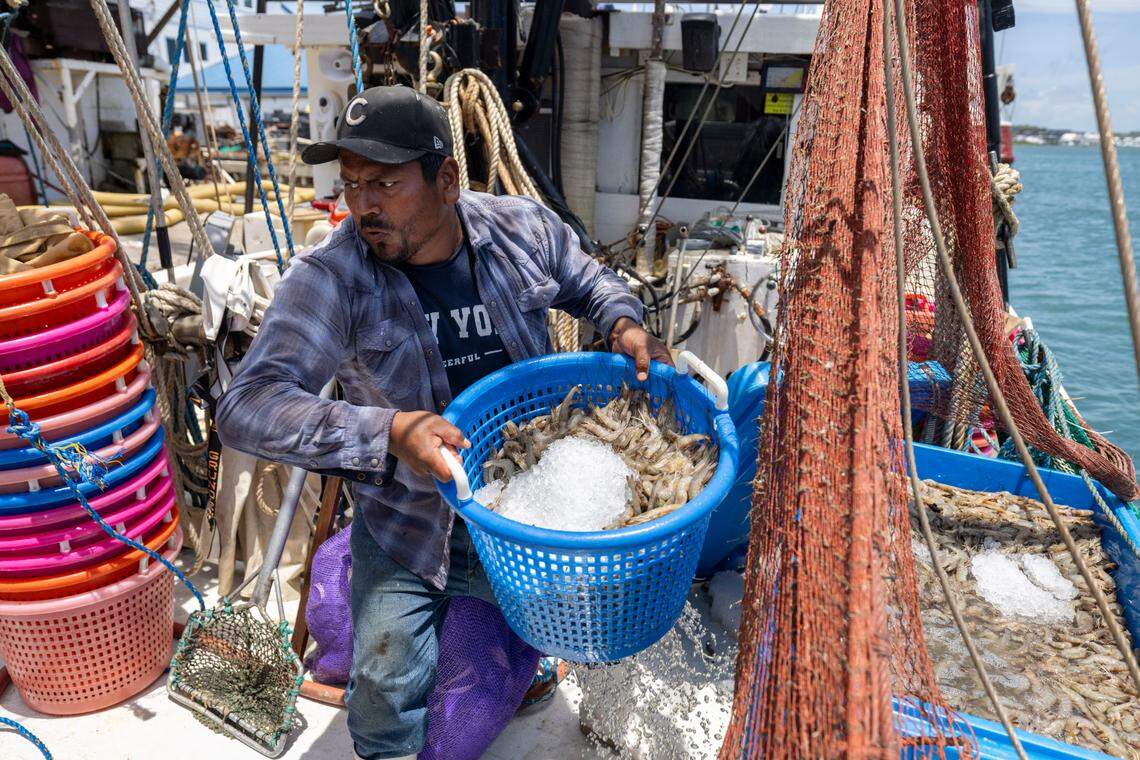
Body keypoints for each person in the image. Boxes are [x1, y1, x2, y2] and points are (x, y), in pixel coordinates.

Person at [215, 85, 671, 760]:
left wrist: (625, 322)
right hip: (408, 519)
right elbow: (246, 406)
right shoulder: (331, 277)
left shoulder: (524, 229)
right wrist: (390, 432)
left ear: (447, 180)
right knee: (384, 681)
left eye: (386, 183)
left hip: (533, 514)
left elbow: (592, 281)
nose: (363, 205)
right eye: (352, 184)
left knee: (597, 630)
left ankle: (548, 668)